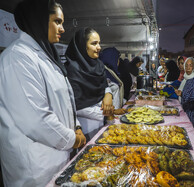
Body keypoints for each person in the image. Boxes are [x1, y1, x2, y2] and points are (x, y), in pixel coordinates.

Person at [0, 0, 86, 186]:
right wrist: (74, 139)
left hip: (58, 156)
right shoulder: (18, 57)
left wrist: (77, 126)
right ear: (38, 20)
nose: (62, 28)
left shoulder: (47, 57)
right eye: (57, 21)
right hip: (35, 167)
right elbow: (36, 120)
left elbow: (65, 102)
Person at [65, 28, 114, 141]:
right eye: (94, 43)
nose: (99, 47)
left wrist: (108, 95)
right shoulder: (72, 70)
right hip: (84, 129)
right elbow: (75, 106)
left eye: (99, 43)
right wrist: (106, 113)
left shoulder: (99, 65)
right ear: (83, 46)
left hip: (102, 124)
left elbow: (104, 85)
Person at [175, 57, 194, 130]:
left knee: (191, 131)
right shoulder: (186, 77)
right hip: (185, 109)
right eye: (186, 65)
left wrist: (182, 94)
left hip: (192, 112)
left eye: (190, 65)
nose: (188, 67)